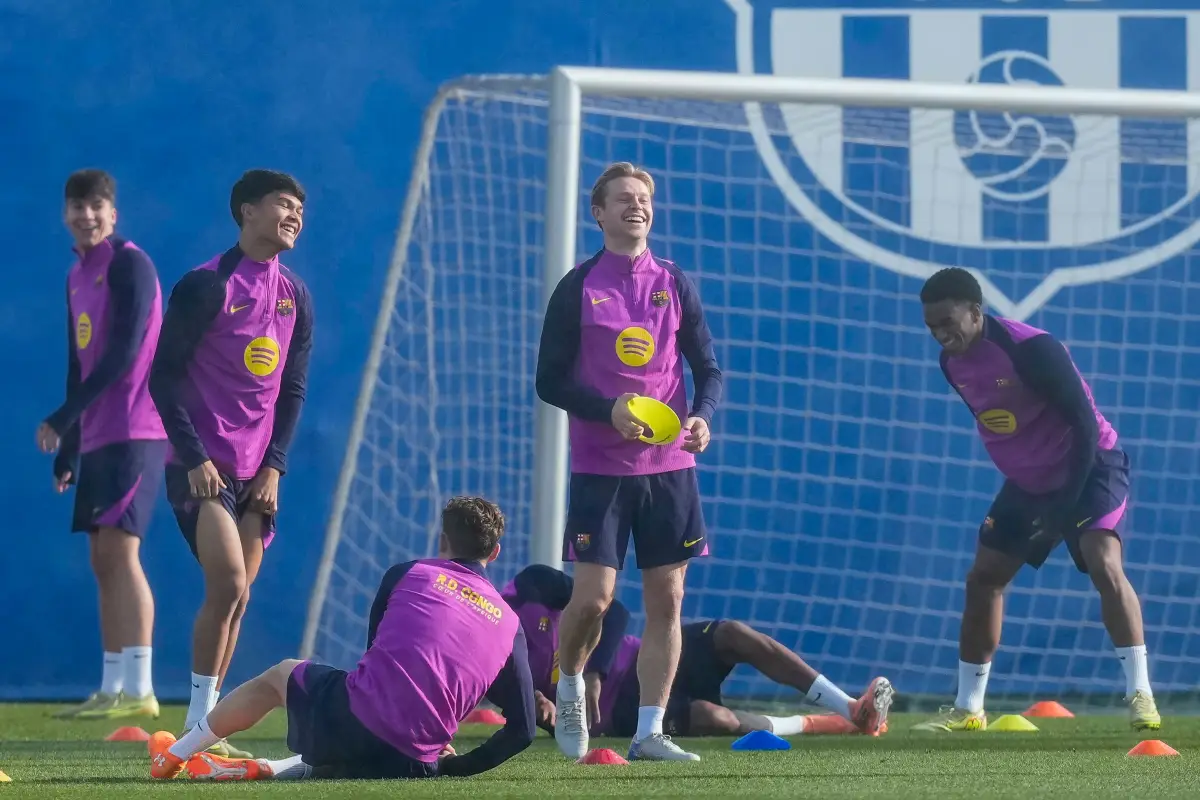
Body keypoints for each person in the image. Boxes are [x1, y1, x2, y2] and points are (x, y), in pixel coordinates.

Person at [912, 267, 1159, 733]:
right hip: (1030, 482)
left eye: (949, 322)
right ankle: (968, 709)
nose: (942, 335)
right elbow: (1004, 425)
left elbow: (1084, 427)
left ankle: (1141, 694)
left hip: (1090, 466)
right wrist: (1032, 494)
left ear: (976, 312)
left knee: (1103, 562)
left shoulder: (1031, 349)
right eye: (931, 328)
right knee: (984, 578)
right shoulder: (952, 364)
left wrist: (1062, 510)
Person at [535, 161, 723, 762]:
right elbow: (548, 381)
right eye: (622, 199)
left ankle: (648, 731)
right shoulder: (579, 285)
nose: (635, 206)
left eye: (643, 199)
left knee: (667, 601)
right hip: (600, 469)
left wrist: (701, 417)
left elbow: (708, 368)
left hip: (670, 470)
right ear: (600, 213)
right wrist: (607, 409)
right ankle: (568, 684)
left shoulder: (673, 279)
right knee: (593, 599)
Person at [148, 496, 536, 782]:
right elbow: (523, 730)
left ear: (442, 540)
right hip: (418, 762)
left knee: (281, 676)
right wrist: (455, 765)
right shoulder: (510, 622)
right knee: (358, 757)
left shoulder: (411, 572)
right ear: (496, 552)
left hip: (363, 722)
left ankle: (175, 754)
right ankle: (270, 769)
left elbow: (374, 655)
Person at [148, 169, 314, 756]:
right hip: (202, 468)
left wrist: (275, 467)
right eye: (282, 204)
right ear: (246, 211)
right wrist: (193, 455)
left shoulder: (295, 295)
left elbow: (291, 390)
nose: (294, 215)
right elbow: (162, 376)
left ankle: (203, 731)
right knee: (229, 582)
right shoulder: (207, 285)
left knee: (239, 600)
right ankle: (199, 726)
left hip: (256, 472)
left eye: (300, 208)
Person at [39, 169, 166, 720]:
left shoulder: (130, 264)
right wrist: (69, 446)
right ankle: (113, 687)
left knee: (121, 552)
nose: (86, 215)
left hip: (137, 430)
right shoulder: (75, 276)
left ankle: (141, 689)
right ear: (65, 214)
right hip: (96, 436)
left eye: (96, 206)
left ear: (112, 213)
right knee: (101, 558)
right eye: (76, 206)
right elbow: (79, 362)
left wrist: (63, 416)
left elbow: (123, 352)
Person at [505, 564, 893, 740]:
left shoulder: (531, 584)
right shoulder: (491, 656)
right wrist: (542, 712)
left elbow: (615, 611)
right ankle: (813, 723)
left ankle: (852, 708)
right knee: (715, 718)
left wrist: (594, 672)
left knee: (732, 634)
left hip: (650, 659)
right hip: (618, 711)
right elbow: (532, 714)